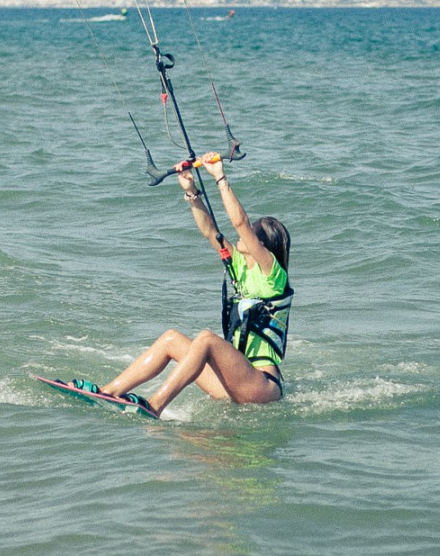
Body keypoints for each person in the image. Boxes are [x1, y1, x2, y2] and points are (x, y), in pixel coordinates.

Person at [76, 156, 290, 416]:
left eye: (251, 235)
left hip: (262, 386)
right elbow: (210, 231)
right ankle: (109, 391)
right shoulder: (240, 268)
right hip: (232, 383)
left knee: (207, 340)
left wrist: (220, 177)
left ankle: (155, 406)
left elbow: (240, 223)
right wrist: (191, 191)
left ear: (263, 246)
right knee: (171, 339)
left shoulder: (273, 276)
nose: (242, 237)